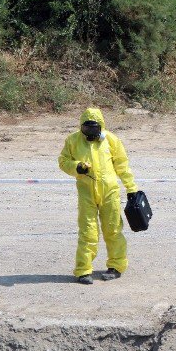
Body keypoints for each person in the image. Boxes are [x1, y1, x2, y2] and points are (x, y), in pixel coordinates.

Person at [58, 108, 138, 285]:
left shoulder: (111, 140)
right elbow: (63, 161)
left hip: (109, 192)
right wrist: (77, 167)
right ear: (81, 128)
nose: (90, 133)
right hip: (86, 192)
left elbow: (122, 165)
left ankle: (116, 266)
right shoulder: (73, 140)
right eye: (87, 129)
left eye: (94, 129)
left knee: (113, 229)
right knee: (88, 231)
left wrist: (131, 188)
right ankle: (83, 270)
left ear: (101, 127)